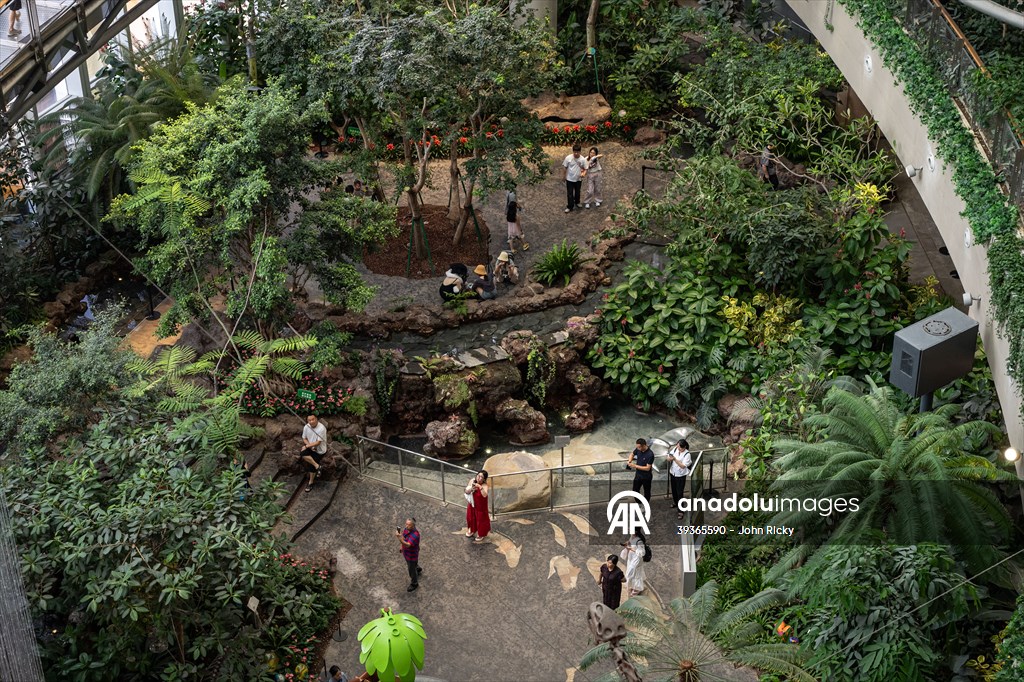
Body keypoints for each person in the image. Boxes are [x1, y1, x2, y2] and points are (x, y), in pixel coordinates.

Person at [299, 415, 328, 493]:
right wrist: (309, 446)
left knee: (311, 466)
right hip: (311, 446)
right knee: (303, 453)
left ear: (316, 419)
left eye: (313, 419)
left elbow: (318, 442)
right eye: (309, 420)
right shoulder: (306, 427)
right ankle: (318, 466)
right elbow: (304, 438)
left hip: (319, 450)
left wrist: (306, 446)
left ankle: (310, 482)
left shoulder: (321, 428)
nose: (311, 421)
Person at [666, 439, 692, 518]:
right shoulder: (675, 449)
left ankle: (681, 510)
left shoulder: (687, 454)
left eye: (679, 447)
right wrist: (669, 458)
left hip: (680, 475)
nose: (677, 448)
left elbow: (683, 466)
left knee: (680, 492)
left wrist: (674, 459)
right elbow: (669, 456)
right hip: (673, 472)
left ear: (683, 447)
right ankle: (675, 502)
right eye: (677, 446)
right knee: (673, 490)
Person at [464, 470, 491, 541]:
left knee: (481, 519)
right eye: (478, 476)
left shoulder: (484, 486)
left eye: (481, 477)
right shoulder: (472, 481)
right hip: (472, 504)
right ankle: (472, 529)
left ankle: (481, 533)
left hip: (481, 506)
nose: (479, 478)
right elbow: (466, 491)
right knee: (470, 517)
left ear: (484, 479)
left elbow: (484, 495)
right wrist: (471, 489)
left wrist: (479, 487)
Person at [397, 517, 422, 592]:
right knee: (414, 563)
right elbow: (404, 538)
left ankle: (414, 583)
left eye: (409, 525)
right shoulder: (406, 529)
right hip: (408, 553)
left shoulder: (415, 535)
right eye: (406, 524)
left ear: (413, 526)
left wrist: (399, 539)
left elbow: (408, 544)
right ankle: (417, 568)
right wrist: (402, 546)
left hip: (411, 555)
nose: (406, 526)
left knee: (411, 570)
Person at [561, 144, 588, 213]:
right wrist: (564, 176)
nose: (576, 153)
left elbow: (585, 168)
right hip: (569, 179)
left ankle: (577, 202)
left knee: (577, 192)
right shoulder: (568, 158)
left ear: (580, 152)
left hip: (578, 179)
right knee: (570, 193)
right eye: (575, 152)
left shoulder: (582, 159)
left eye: (577, 152)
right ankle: (570, 206)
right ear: (573, 151)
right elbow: (565, 167)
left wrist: (583, 174)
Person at [620, 530, 647, 597]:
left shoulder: (639, 541)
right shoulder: (632, 537)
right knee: (632, 573)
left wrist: (631, 549)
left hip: (637, 559)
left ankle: (637, 589)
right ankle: (633, 586)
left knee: (633, 573)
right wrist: (627, 544)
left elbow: (642, 552)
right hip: (631, 558)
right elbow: (630, 543)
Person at [627, 438, 655, 502]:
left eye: (639, 447)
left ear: (644, 445)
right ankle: (639, 502)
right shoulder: (638, 449)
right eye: (637, 447)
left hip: (646, 476)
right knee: (635, 490)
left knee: (647, 491)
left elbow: (647, 468)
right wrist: (630, 461)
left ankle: (645, 504)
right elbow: (632, 454)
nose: (638, 448)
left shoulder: (650, 454)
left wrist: (635, 466)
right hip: (638, 475)